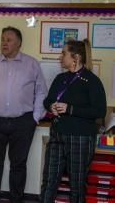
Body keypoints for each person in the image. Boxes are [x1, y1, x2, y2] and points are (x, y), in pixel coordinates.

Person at [0, 26, 47, 203]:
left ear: (19, 43)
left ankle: (16, 198)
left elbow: (41, 91)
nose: (4, 43)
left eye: (9, 40)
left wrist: (35, 116)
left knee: (18, 164)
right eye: (2, 39)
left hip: (23, 122)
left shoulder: (31, 64)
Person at [40, 39, 106, 203]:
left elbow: (99, 112)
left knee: (76, 186)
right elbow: (47, 100)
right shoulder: (60, 78)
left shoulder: (91, 81)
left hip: (80, 139)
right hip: (57, 136)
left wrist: (70, 109)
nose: (60, 57)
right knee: (48, 182)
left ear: (75, 57)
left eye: (63, 53)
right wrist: (51, 107)